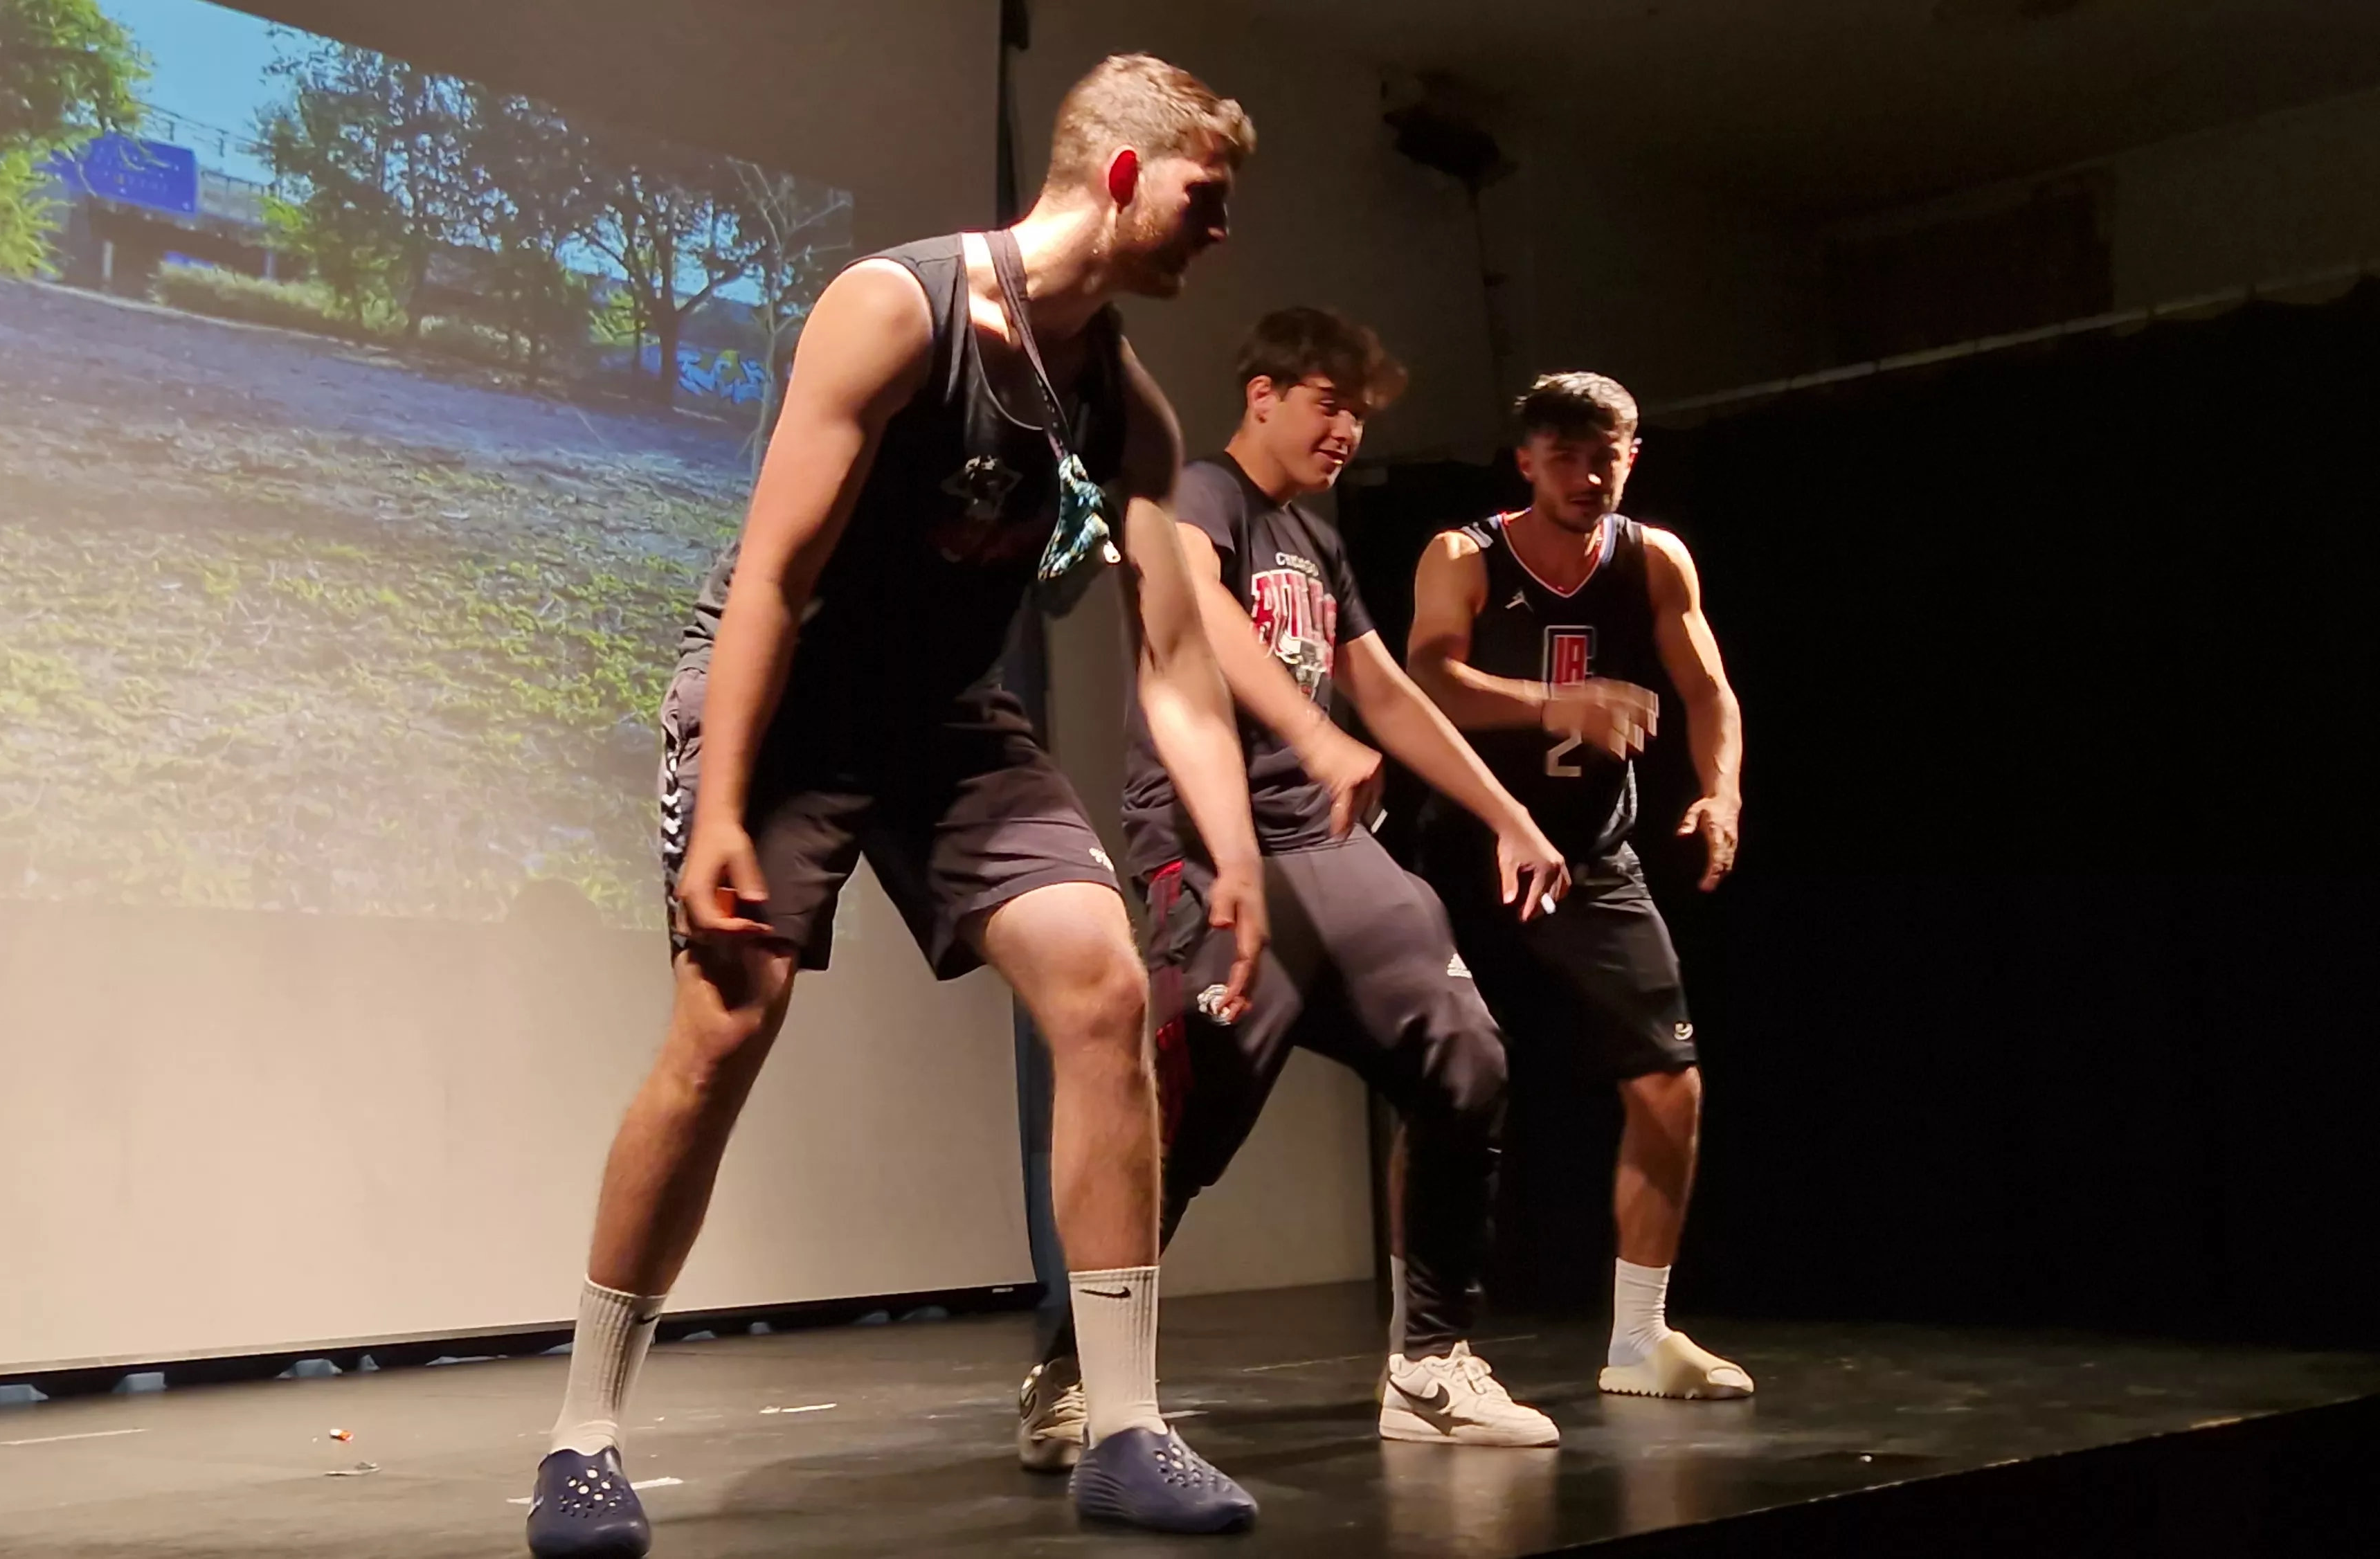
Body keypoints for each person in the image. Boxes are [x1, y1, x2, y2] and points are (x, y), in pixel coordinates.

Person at [525, 55, 1276, 1556]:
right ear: (1123, 175)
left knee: (1100, 982)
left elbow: (1181, 669)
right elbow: (775, 576)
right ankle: (579, 1441)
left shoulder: (1124, 404)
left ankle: (1123, 1428)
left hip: (944, 718)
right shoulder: (894, 308)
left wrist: (1237, 850)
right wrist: (724, 794)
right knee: (723, 1028)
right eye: (1206, 199)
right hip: (788, 695)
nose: (1220, 232)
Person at [1016, 308, 1574, 1470]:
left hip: (1333, 858)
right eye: (1330, 402)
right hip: (1213, 847)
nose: (1348, 429)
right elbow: (1200, 612)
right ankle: (1077, 1373)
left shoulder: (1315, 540)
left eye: (1361, 412)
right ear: (1263, 393)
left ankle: (1428, 1365)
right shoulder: (1199, 495)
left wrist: (1507, 816)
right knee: (1187, 1114)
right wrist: (1310, 742)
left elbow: (1385, 693)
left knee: (1468, 1057)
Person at [1404, 370, 1752, 1402]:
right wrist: (1563, 703)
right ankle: (1416, 1341)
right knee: (1442, 1092)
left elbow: (1706, 688)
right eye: (1564, 456)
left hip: (1593, 856)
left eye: (1606, 455)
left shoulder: (1652, 558)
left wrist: (1721, 796)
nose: (1587, 475)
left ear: (1630, 456)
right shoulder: (1464, 554)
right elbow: (1428, 680)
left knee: (1668, 1081)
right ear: (1525, 462)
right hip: (1468, 853)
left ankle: (1640, 1338)